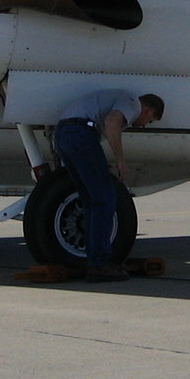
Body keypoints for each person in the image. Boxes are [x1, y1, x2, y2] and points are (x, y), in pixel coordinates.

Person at [53, 89, 164, 280]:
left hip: (64, 135)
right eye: (150, 120)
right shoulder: (131, 102)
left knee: (91, 201)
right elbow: (112, 122)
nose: (144, 124)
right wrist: (121, 160)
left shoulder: (115, 100)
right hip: (82, 134)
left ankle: (94, 260)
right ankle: (99, 264)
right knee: (104, 200)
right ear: (147, 110)